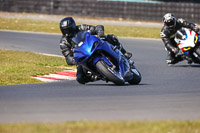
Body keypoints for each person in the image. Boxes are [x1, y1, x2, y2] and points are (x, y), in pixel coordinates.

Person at [59, 17, 132, 84]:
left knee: (110, 37)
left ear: (73, 27)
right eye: (64, 30)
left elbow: (97, 27)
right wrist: (75, 60)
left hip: (92, 46)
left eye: (67, 29)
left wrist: (100, 33)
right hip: (83, 57)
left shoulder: (81, 28)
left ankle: (124, 52)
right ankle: (96, 76)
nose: (66, 32)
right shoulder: (63, 43)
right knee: (80, 78)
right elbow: (68, 57)